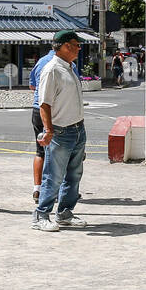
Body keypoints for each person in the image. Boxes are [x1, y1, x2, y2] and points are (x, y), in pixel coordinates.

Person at [33, 30, 88, 231]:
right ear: (65, 46)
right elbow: (44, 104)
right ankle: (41, 215)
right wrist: (48, 130)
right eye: (76, 44)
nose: (79, 48)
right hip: (61, 131)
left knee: (74, 175)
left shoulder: (70, 67)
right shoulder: (52, 70)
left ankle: (65, 213)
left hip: (77, 128)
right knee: (53, 175)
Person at [28, 45, 59, 204]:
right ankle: (56, 189)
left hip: (37, 108)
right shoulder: (67, 64)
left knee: (40, 151)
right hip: (57, 111)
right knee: (60, 152)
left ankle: (37, 188)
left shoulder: (40, 62)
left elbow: (32, 85)